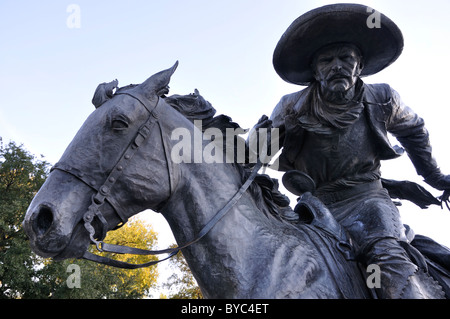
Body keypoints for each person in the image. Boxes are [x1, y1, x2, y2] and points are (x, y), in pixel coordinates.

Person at [264, 3, 450, 298]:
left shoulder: (383, 98)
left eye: (345, 58)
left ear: (359, 65)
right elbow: (253, 157)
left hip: (368, 202)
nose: (337, 66)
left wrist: (435, 177)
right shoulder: (290, 107)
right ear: (315, 70)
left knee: (388, 261)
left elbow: (414, 129)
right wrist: (248, 146)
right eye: (326, 60)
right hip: (314, 209)